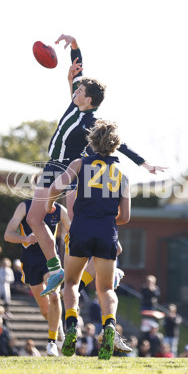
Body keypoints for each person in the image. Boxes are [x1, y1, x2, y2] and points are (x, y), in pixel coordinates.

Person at [26, 34, 165, 298]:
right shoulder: (73, 105)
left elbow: (118, 144)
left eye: (79, 91)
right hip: (51, 167)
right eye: (76, 89)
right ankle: (56, 267)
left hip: (69, 172)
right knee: (34, 218)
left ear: (88, 100)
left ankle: (115, 261)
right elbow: (79, 69)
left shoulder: (91, 120)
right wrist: (75, 45)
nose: (75, 90)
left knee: (78, 228)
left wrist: (145, 163)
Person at [46, 119, 131, 360]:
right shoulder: (122, 176)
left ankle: (72, 323)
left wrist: (52, 203)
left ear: (92, 141)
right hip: (107, 232)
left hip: (81, 230)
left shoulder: (79, 163)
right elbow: (124, 217)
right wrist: (104, 215)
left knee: (71, 283)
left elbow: (55, 188)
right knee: (105, 288)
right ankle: (110, 328)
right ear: (115, 145)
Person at [4, 198, 70, 356]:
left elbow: (74, 230)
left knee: (54, 296)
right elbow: (8, 234)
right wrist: (24, 238)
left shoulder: (59, 210)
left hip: (50, 259)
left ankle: (52, 342)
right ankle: (58, 327)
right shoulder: (24, 206)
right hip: (30, 263)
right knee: (45, 308)